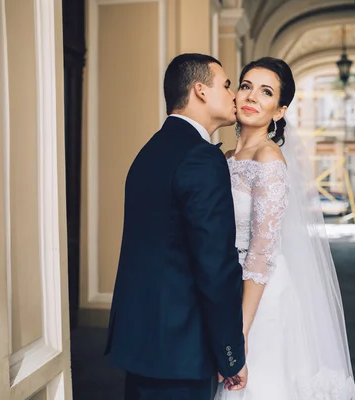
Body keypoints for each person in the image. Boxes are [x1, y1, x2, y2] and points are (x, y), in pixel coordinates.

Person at [105, 53, 248, 400]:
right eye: (227, 85)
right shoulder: (202, 156)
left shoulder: (149, 152)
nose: (234, 96)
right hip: (181, 350)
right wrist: (231, 354)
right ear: (200, 90)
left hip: (141, 345)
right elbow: (215, 264)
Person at [216, 57, 355, 399]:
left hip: (260, 296)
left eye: (265, 92)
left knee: (260, 384)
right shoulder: (225, 158)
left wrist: (240, 330)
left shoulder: (269, 160)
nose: (251, 97)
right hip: (227, 284)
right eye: (246, 86)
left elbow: (263, 253)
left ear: (278, 111)